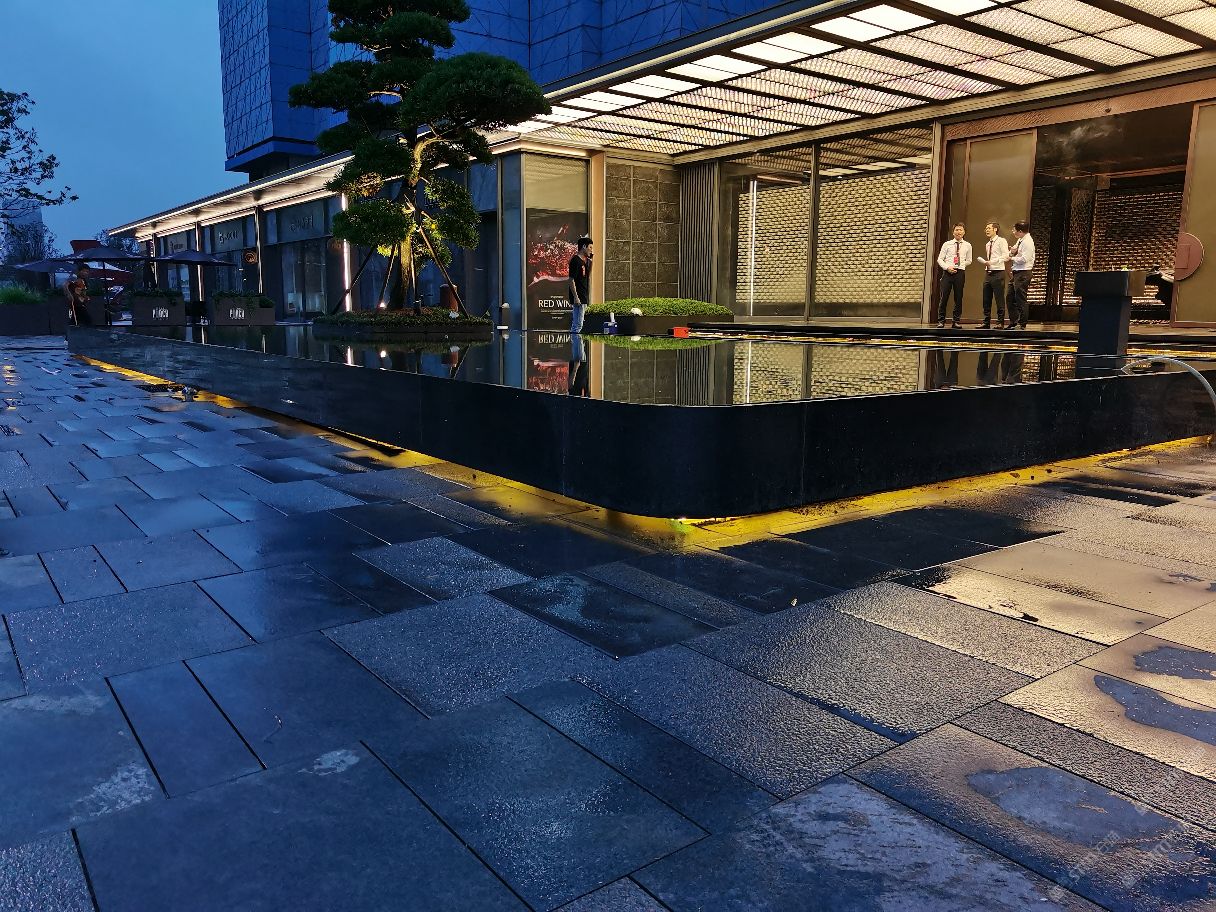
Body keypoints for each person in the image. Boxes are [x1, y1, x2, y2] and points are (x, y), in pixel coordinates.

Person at [935, 223, 971, 328]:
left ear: (964, 232)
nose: (958, 232)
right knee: (944, 297)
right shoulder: (947, 244)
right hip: (947, 272)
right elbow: (940, 259)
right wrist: (947, 267)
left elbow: (969, 260)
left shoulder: (968, 245)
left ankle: (956, 321)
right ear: (953, 232)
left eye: (960, 230)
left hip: (960, 273)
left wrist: (961, 265)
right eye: (956, 230)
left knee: (958, 297)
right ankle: (941, 321)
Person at [975, 222, 1009, 330]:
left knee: (999, 298)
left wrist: (993, 262)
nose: (986, 230)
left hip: (998, 272)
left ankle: (1000, 322)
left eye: (989, 228)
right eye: (986, 228)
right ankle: (986, 322)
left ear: (995, 229)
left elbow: (1006, 256)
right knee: (986, 298)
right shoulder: (987, 244)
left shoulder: (1001, 241)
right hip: (988, 273)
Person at [1005, 221, 1035, 330]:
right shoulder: (1020, 240)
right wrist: (1012, 252)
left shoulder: (1028, 242)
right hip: (1016, 272)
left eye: (1014, 230)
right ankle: (1013, 321)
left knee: (1020, 298)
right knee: (1010, 297)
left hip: (1023, 273)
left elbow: (1025, 259)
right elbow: (1013, 252)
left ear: (1020, 231)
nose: (1013, 232)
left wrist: (1011, 258)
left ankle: (1022, 324)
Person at [567, 236, 593, 333]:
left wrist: (591, 261)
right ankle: (576, 342)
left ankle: (577, 342)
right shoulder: (575, 260)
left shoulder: (584, 261)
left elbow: (588, 276)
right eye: (590, 247)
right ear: (584, 246)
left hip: (583, 295)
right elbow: (571, 280)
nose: (591, 250)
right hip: (579, 297)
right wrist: (576, 297)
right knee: (577, 325)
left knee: (579, 324)